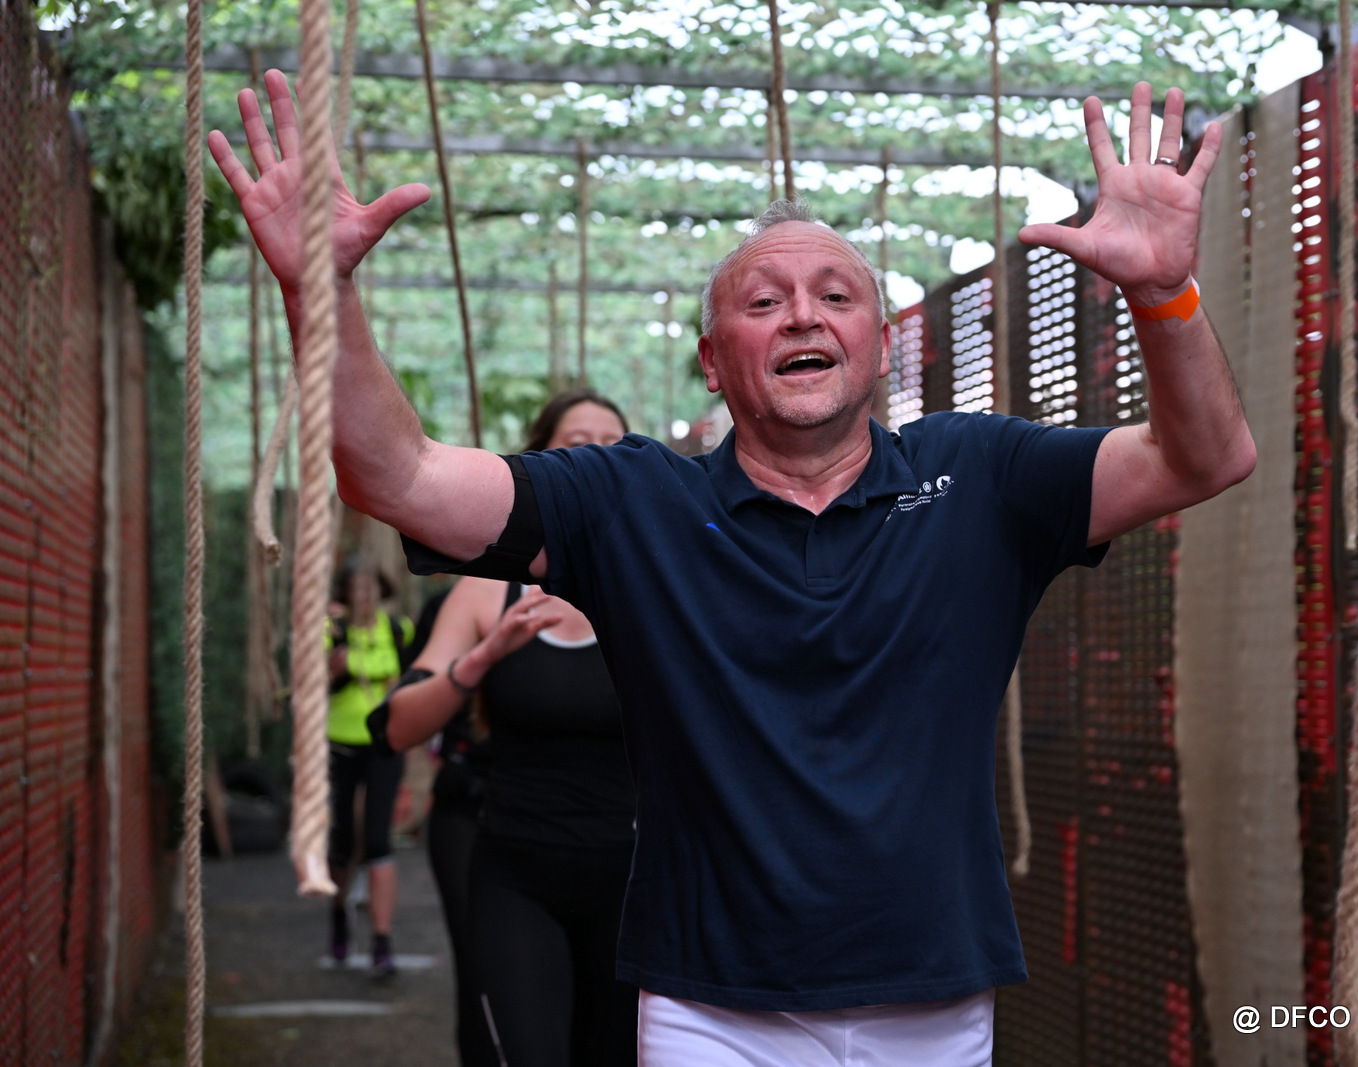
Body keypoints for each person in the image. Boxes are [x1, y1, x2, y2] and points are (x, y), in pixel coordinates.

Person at [212, 75, 1254, 1065]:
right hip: (711, 1006)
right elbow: (396, 475)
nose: (803, 314)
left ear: (877, 343)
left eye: (835, 294)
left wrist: (1165, 295)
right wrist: (322, 291)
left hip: (933, 995)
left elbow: (1203, 458)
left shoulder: (980, 475)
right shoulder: (631, 501)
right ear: (712, 362)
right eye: (763, 301)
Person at [371, 388, 639, 1067]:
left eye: (613, 444)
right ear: (540, 460)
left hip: (630, 873)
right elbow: (397, 727)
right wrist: (482, 658)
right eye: (577, 442)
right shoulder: (487, 591)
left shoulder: (655, 584)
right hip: (515, 868)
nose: (597, 456)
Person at [325, 560, 414, 978]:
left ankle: (381, 941)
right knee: (342, 841)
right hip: (340, 743)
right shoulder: (331, 630)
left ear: (381, 590)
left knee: (378, 839)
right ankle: (338, 913)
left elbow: (406, 675)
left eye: (369, 587)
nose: (363, 595)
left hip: (384, 745)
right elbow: (318, 672)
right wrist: (345, 666)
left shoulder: (398, 630)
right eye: (355, 588)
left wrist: (360, 665)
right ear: (344, 593)